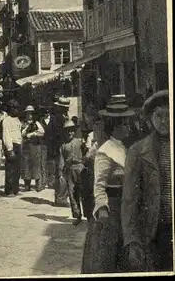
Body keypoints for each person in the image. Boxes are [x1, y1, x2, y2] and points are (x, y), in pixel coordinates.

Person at [81, 98, 136, 274]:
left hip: (125, 205)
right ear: (116, 127)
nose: (129, 127)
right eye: (125, 124)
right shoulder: (105, 151)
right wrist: (102, 210)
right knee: (107, 256)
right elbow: (99, 184)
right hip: (111, 208)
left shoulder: (124, 147)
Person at [122, 90, 173, 272]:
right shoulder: (137, 151)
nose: (164, 121)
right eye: (159, 115)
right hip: (153, 231)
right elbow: (129, 199)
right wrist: (132, 239)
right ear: (151, 118)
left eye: (168, 115)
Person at [58, 118, 85, 225]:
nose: (70, 133)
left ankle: (90, 215)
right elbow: (61, 161)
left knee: (85, 192)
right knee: (72, 193)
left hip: (81, 169)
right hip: (70, 172)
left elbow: (87, 154)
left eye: (72, 130)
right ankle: (77, 215)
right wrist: (60, 173)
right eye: (68, 131)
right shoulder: (63, 146)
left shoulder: (80, 142)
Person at [52, 97, 71, 207]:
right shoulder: (59, 118)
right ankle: (60, 198)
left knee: (62, 171)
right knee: (61, 172)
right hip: (61, 146)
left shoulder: (63, 117)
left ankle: (61, 196)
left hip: (62, 146)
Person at [21, 105, 45, 192]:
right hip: (26, 146)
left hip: (35, 145)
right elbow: (22, 133)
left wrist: (34, 133)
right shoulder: (23, 123)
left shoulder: (37, 123)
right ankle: (27, 184)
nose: (29, 115)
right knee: (26, 165)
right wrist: (27, 130)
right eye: (28, 113)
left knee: (36, 164)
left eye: (31, 114)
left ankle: (38, 184)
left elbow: (42, 132)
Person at [2, 100, 23, 196]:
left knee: (17, 169)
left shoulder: (18, 120)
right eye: (14, 108)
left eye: (17, 108)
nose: (16, 110)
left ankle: (15, 189)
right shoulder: (6, 120)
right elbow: (6, 135)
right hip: (11, 146)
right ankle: (9, 190)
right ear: (10, 109)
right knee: (10, 169)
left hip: (18, 145)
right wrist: (9, 149)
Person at [39, 106, 55, 189]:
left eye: (48, 111)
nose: (46, 113)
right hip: (43, 144)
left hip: (52, 144)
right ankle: (43, 182)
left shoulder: (53, 119)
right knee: (43, 163)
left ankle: (51, 182)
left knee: (51, 163)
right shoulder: (41, 120)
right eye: (45, 112)